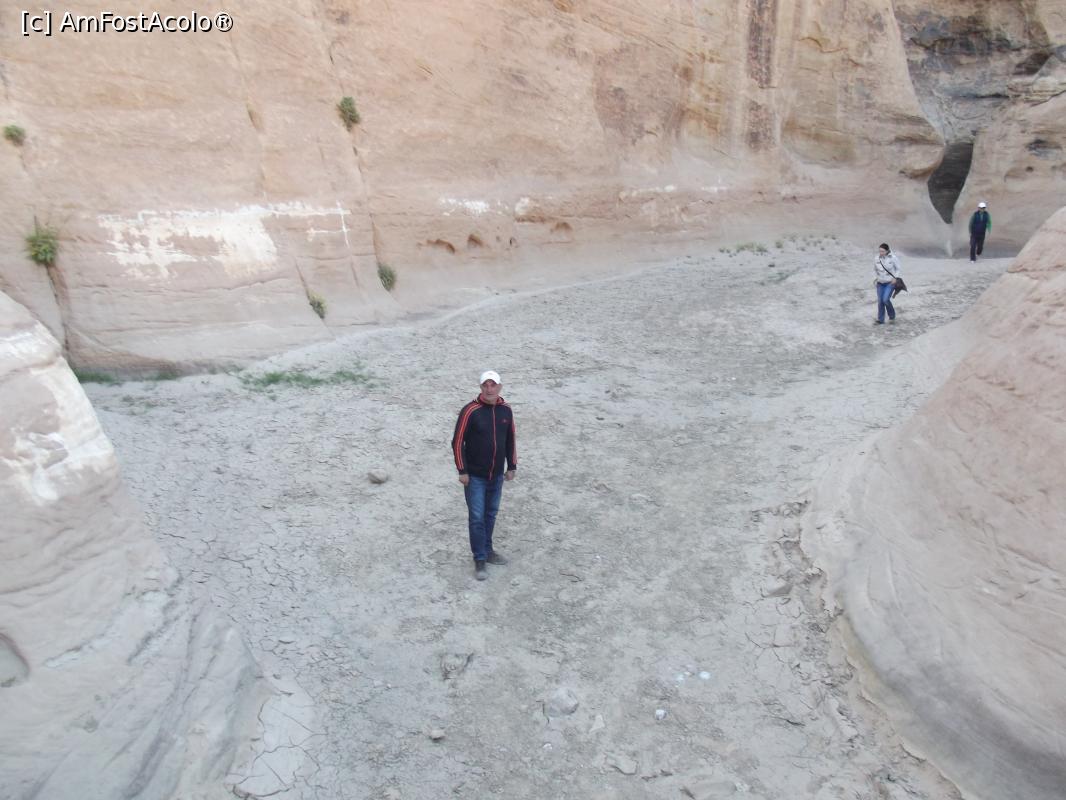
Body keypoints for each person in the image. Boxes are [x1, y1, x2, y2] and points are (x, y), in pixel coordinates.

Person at [451, 370, 517, 581]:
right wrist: (462, 470)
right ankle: (479, 558)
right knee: (477, 518)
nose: (489, 389)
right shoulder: (470, 411)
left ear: (499, 387)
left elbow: (510, 439)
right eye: (485, 385)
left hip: (496, 476)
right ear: (481, 388)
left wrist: (512, 466)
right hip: (475, 477)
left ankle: (488, 551)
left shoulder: (506, 410)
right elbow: (457, 442)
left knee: (490, 514)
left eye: (493, 385)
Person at [874, 243, 902, 324]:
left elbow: (898, 269)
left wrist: (895, 277)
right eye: (879, 251)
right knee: (880, 301)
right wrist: (875, 278)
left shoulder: (893, 258)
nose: (880, 253)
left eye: (882, 251)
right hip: (880, 283)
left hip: (890, 283)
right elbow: (874, 269)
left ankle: (892, 316)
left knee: (885, 300)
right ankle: (880, 320)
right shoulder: (876, 258)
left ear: (887, 251)